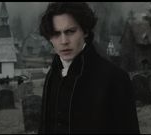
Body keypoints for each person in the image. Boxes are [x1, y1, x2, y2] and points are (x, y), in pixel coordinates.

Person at [38, 2, 140, 134]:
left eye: (70, 31)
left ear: (85, 31)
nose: (63, 41)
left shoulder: (115, 78)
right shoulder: (52, 75)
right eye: (56, 34)